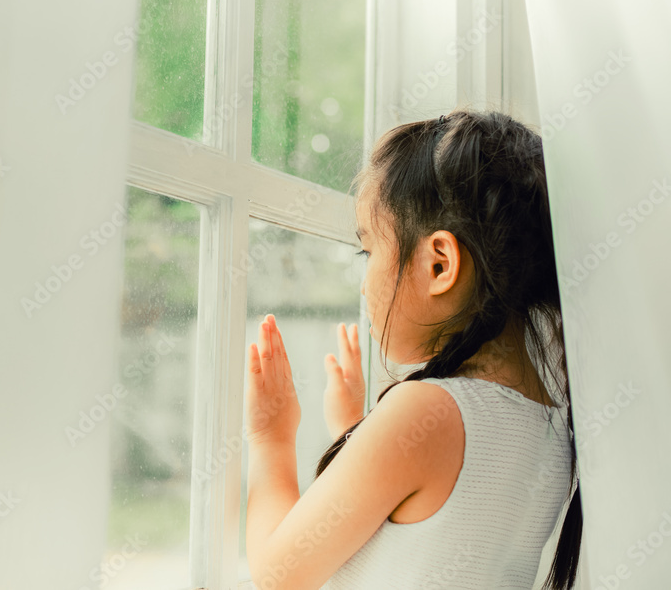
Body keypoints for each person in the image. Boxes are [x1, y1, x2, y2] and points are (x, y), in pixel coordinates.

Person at [244, 110, 580, 589]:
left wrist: (270, 438)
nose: (364, 286)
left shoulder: (427, 412)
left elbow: (277, 575)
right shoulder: (551, 425)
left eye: (368, 252)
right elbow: (432, 521)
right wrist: (357, 432)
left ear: (440, 264)